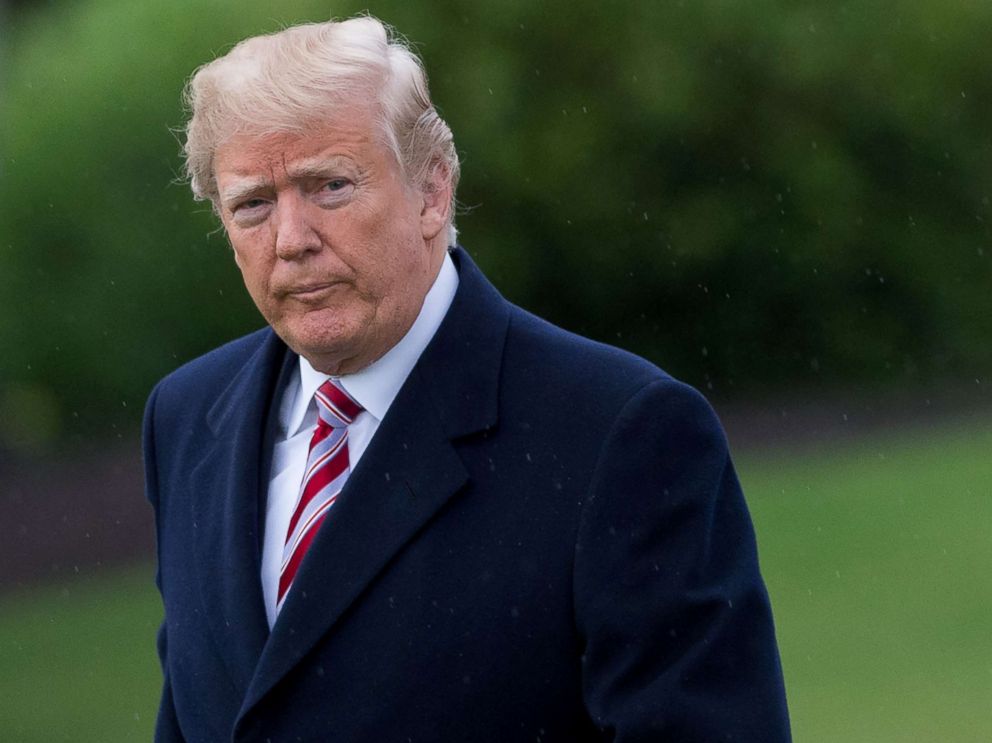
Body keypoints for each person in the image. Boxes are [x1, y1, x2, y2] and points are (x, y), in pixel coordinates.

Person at [143, 15, 791, 742]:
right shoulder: (187, 418)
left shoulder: (620, 431)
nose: (291, 240)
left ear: (431, 192)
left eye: (329, 185)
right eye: (253, 203)